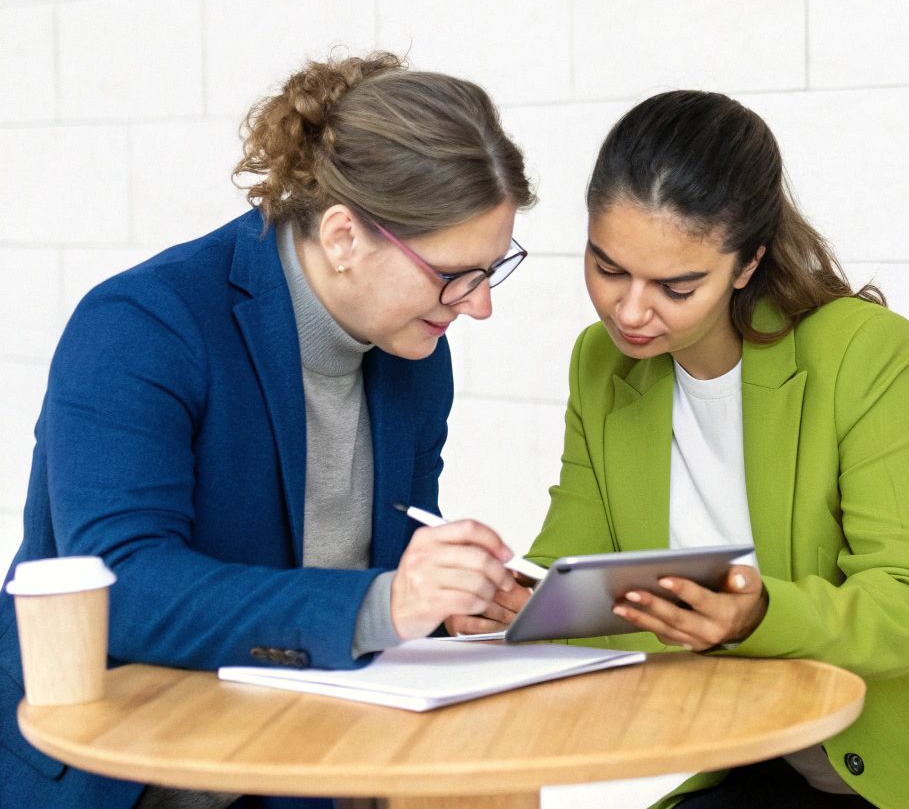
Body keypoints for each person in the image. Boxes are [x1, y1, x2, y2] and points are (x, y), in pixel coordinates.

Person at [524, 91, 909, 808]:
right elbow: (578, 583)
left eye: (676, 285)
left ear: (746, 265)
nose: (630, 310)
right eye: (608, 268)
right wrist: (513, 603)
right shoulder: (603, 365)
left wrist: (760, 615)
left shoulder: (863, 355)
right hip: (780, 766)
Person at [0, 53, 537, 809]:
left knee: (493, 780)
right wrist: (384, 604)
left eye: (491, 270)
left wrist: (445, 603)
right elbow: (121, 585)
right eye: (455, 274)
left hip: (311, 742)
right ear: (345, 237)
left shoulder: (414, 350)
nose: (476, 307)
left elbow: (385, 560)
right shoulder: (142, 326)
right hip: (132, 764)